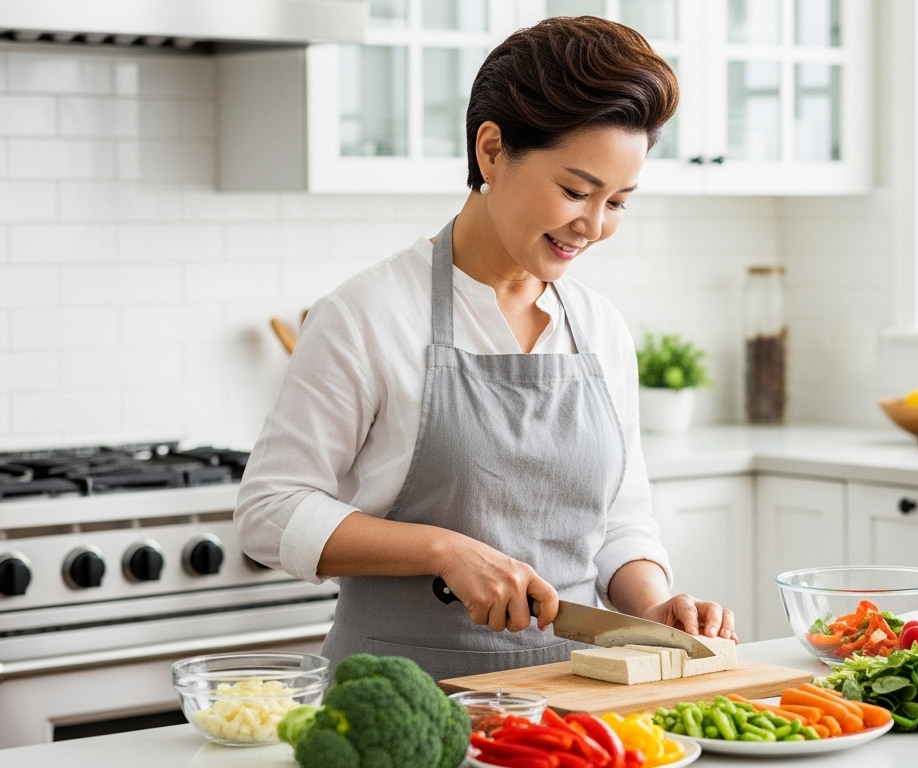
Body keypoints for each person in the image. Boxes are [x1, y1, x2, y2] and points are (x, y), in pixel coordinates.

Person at [234, 16, 733, 680]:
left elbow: (619, 521)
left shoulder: (599, 328)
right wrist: (442, 550)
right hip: (403, 700)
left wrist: (653, 607)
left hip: (572, 701)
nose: (592, 225)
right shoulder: (367, 314)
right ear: (492, 150)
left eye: (618, 202)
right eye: (575, 191)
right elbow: (269, 512)